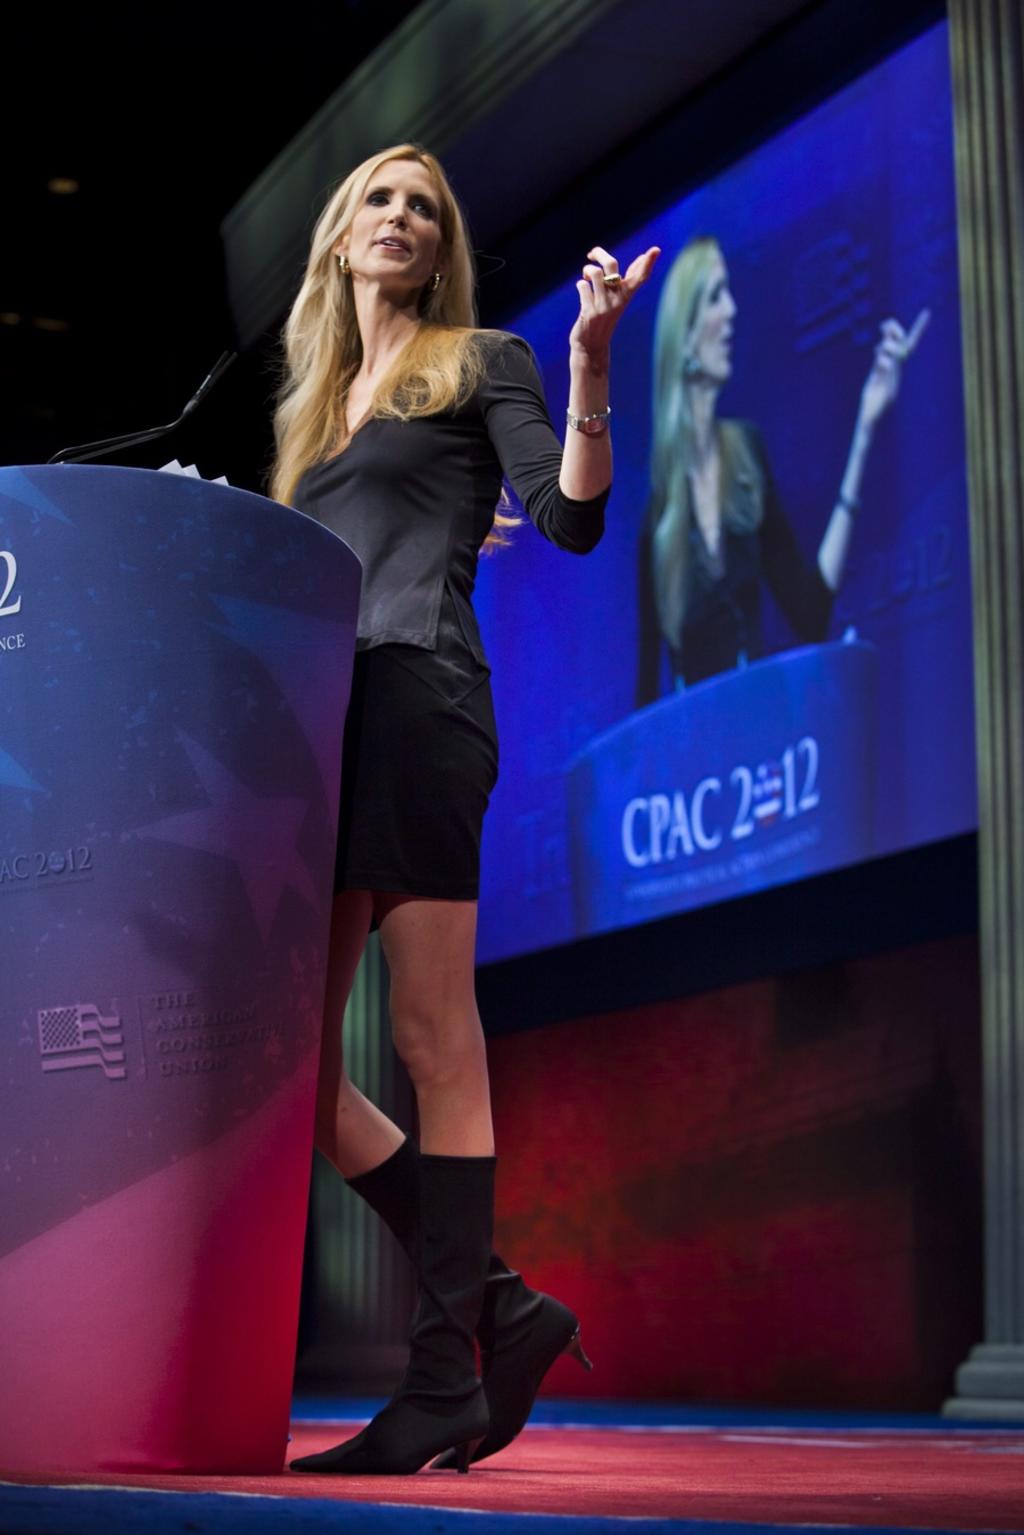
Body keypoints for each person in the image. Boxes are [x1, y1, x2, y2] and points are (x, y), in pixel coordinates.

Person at [270, 143, 659, 1476]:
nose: (400, 217)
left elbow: (570, 516)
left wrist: (590, 362)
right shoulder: (312, 421)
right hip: (322, 734)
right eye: (377, 199)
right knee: (298, 1073)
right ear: (339, 238)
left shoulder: (479, 360)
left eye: (422, 208)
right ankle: (502, 1306)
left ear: (439, 249)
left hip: (420, 701)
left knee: (433, 1034)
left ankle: (444, 1375)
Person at [635, 236, 928, 701]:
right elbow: (647, 698)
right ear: (685, 337)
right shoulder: (658, 521)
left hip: (764, 732)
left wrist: (865, 429)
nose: (732, 311)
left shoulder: (745, 454)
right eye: (715, 297)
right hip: (706, 744)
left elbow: (810, 614)